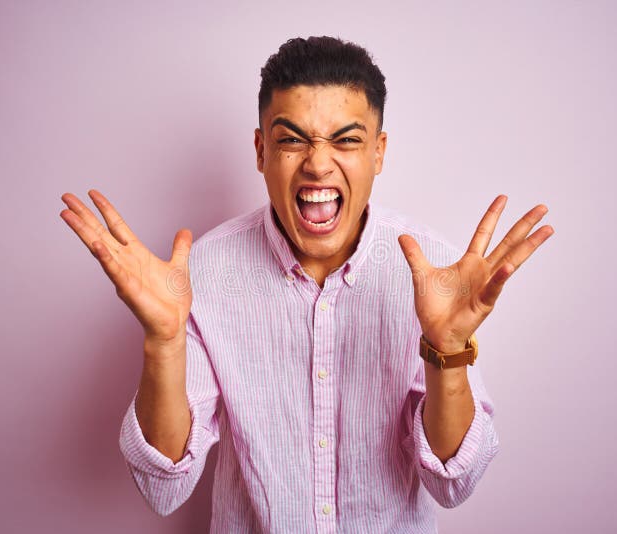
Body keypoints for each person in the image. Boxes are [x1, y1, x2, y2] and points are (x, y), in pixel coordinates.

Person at [60, 36, 553, 533]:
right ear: (261, 150)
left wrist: (445, 349)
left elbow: (455, 483)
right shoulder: (204, 272)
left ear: (378, 152)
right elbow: (163, 487)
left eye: (347, 140)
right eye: (293, 139)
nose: (318, 163)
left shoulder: (435, 273)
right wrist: (163, 341)